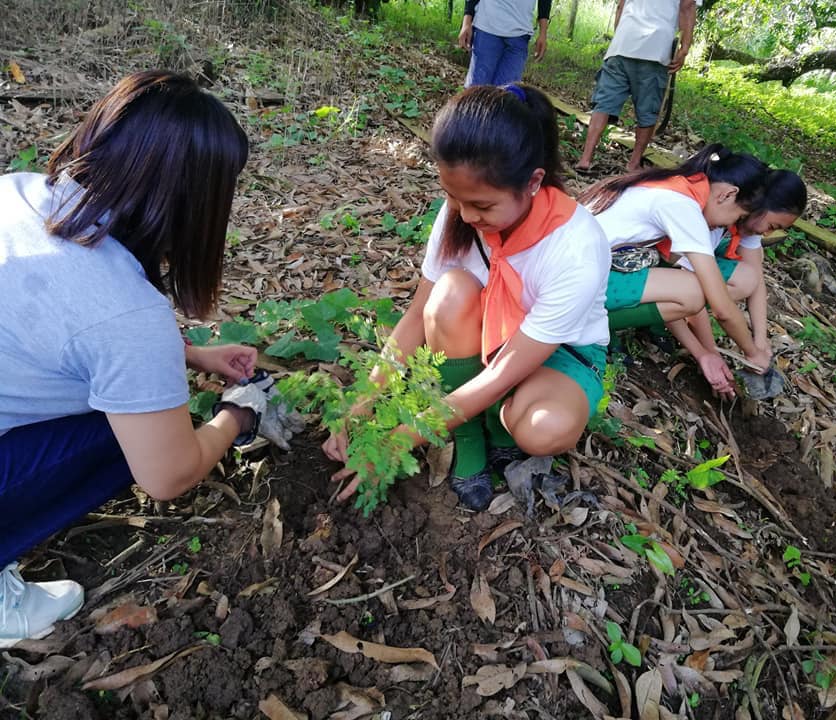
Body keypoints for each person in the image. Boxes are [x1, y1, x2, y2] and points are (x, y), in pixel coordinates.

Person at [0, 71, 299, 647]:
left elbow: (45, 322)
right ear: (195, 204)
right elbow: (167, 475)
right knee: (137, 438)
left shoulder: (21, 191)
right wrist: (236, 415)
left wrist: (190, 354)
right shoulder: (128, 314)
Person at [323, 84, 610, 512]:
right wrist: (361, 402)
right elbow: (419, 315)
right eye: (453, 197)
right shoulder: (460, 211)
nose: (466, 215)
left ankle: (498, 427)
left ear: (533, 182)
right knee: (450, 293)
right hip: (479, 337)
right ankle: (470, 436)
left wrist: (400, 440)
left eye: (482, 205)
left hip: (558, 352)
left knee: (544, 430)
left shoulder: (576, 247)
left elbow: (500, 375)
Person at [578, 143, 772, 396]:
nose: (731, 224)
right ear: (727, 194)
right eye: (737, 216)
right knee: (695, 290)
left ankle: (588, 321)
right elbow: (721, 307)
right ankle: (583, 326)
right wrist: (753, 352)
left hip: (581, 268)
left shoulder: (678, 185)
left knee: (691, 290)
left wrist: (705, 354)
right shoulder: (682, 205)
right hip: (575, 277)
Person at [667, 169, 807, 395]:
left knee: (749, 274)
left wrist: (760, 342)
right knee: (698, 292)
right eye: (772, 226)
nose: (768, 233)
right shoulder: (706, 219)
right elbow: (702, 297)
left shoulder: (745, 220)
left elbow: (756, 278)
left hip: (675, 274)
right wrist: (711, 354)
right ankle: (664, 317)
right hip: (638, 272)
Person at [575, 0, 699, 174]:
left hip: (623, 42)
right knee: (648, 110)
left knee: (604, 102)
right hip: (656, 47)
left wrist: (619, 36)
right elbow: (687, 6)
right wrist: (685, 47)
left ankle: (585, 158)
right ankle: (633, 163)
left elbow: (620, 5)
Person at [459, 0, 552, 87]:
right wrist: (466, 22)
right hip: (487, 27)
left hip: (520, 32)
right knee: (477, 91)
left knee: (506, 96)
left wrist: (543, 33)